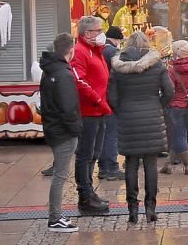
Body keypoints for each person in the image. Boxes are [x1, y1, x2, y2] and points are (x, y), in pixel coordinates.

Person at [108, 31, 174, 224]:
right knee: (150, 164)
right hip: (151, 115)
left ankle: (132, 209)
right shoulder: (156, 65)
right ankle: (150, 207)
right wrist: (158, 105)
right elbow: (169, 92)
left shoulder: (117, 67)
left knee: (130, 162)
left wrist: (122, 111)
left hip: (128, 116)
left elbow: (111, 97)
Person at [40, 33, 83, 233]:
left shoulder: (49, 70)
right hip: (63, 131)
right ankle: (55, 218)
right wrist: (76, 129)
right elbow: (68, 107)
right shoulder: (64, 73)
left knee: (60, 173)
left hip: (53, 127)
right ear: (71, 50)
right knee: (61, 175)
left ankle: (55, 217)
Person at [71, 16, 113, 214]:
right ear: (87, 34)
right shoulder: (80, 51)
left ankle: (89, 192)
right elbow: (79, 81)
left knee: (94, 153)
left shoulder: (95, 50)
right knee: (85, 154)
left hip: (99, 110)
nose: (101, 33)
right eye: (98, 30)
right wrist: (97, 99)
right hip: (89, 111)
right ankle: (85, 196)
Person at [161, 40, 188, 175]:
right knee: (182, 133)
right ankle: (168, 164)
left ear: (176, 53)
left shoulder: (172, 71)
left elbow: (169, 91)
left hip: (176, 106)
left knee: (178, 136)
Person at [96, 26, 125, 182]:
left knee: (103, 134)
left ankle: (102, 168)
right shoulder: (112, 52)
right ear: (116, 39)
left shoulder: (99, 50)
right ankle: (112, 168)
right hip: (110, 98)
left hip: (100, 98)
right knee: (111, 135)